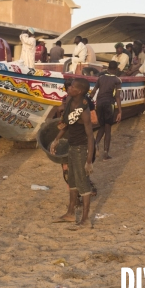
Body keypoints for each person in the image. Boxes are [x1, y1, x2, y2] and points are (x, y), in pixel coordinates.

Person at [51, 78, 95, 227]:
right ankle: (70, 214)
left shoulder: (84, 110)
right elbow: (67, 124)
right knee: (72, 181)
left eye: (73, 87)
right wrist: (56, 139)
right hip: (72, 146)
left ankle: (85, 219)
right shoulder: (70, 101)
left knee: (83, 184)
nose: (69, 88)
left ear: (80, 91)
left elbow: (90, 136)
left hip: (81, 148)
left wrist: (89, 161)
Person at [89, 61, 122, 160]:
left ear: (107, 68)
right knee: (108, 128)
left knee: (102, 126)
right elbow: (117, 96)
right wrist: (120, 111)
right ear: (116, 69)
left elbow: (94, 91)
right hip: (109, 104)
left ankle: (96, 143)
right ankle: (106, 153)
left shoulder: (101, 78)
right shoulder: (117, 80)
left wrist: (87, 101)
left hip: (99, 103)